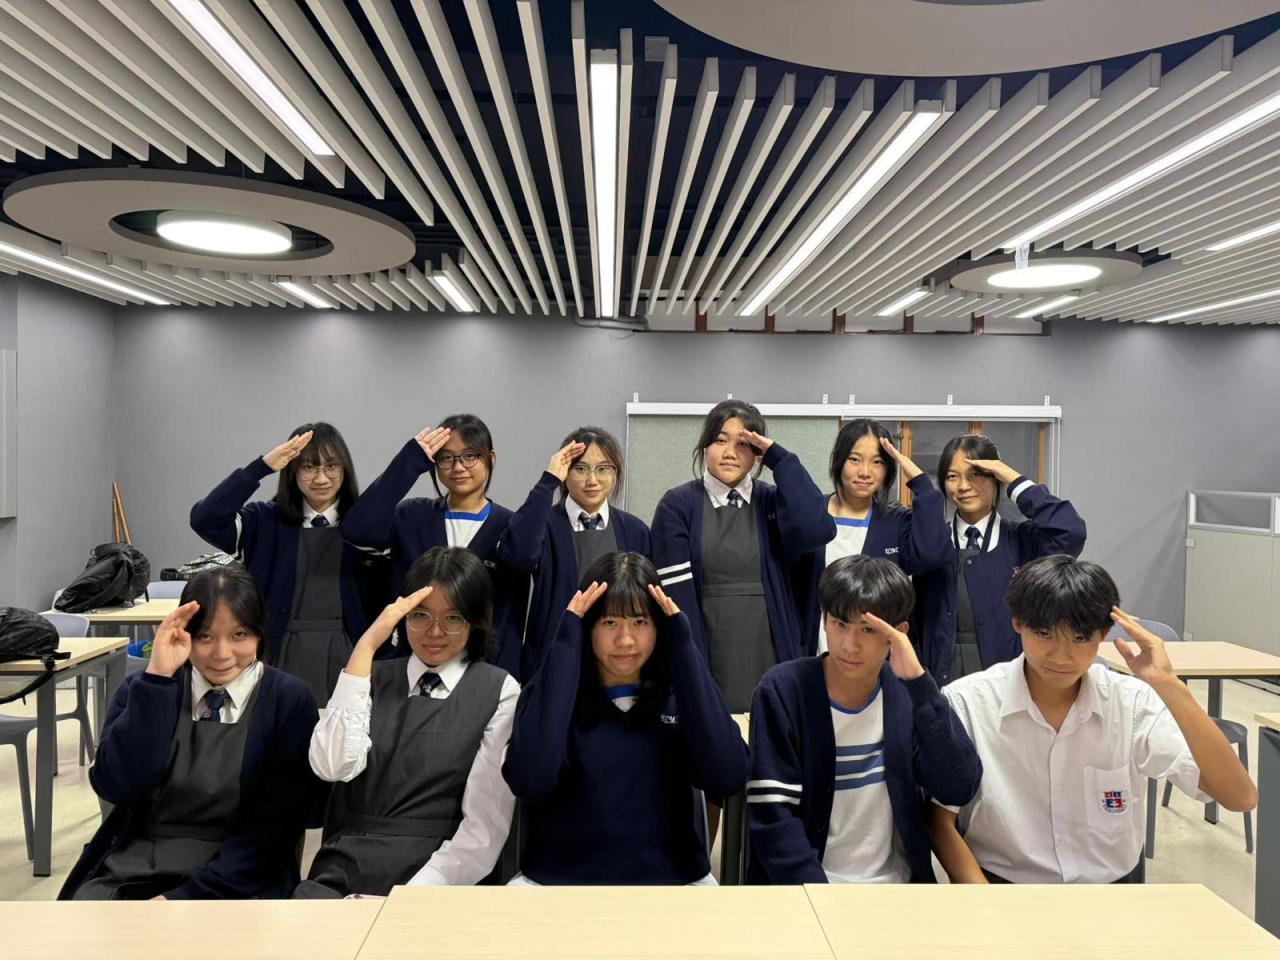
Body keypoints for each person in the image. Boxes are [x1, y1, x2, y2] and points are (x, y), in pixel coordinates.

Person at [928, 555, 1258, 884]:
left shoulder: (1130, 702)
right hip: (1000, 887)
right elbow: (938, 818)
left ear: (1103, 633)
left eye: (1080, 638)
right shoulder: (967, 702)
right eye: (1044, 633)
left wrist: (1169, 685)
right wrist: (984, 902)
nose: (1061, 656)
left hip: (1111, 891)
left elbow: (1239, 797)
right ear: (1017, 623)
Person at [61, 567, 318, 900]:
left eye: (239, 635)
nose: (222, 654)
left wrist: (183, 899)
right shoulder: (144, 689)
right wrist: (156, 680)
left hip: (240, 876)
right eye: (205, 636)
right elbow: (116, 785)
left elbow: (274, 829)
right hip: (133, 866)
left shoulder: (289, 700)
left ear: (260, 634)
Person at [502, 552, 747, 884]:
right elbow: (530, 779)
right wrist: (567, 641)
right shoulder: (552, 691)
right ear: (588, 625)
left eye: (640, 622)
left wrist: (684, 647)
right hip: (560, 882)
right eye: (609, 623)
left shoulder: (683, 691)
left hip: (672, 882)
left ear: (659, 626)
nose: (625, 640)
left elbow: (728, 775)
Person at [297, 547, 518, 897]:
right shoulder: (368, 676)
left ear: (474, 621)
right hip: (344, 870)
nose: (434, 632)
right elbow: (332, 766)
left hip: (439, 878)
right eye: (420, 615)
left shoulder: (499, 689)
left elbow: (483, 831)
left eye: (453, 618)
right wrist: (366, 646)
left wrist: (410, 897)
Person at [748, 555, 980, 884]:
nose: (850, 645)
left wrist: (920, 686)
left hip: (897, 889)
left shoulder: (907, 693)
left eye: (868, 630)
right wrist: (820, 897)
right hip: (809, 890)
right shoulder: (783, 689)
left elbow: (959, 786)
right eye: (839, 624)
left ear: (897, 633)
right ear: (824, 618)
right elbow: (773, 818)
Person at [652, 400, 834, 712]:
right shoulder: (678, 505)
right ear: (704, 446)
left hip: (772, 645)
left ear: (758, 452)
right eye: (720, 440)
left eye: (743, 444)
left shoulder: (774, 501)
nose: (730, 452)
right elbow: (674, 598)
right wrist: (690, 667)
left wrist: (781, 459)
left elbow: (818, 529)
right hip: (707, 648)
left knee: (772, 723)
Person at [190, 422, 382, 702]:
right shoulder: (263, 521)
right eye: (308, 467)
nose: (321, 478)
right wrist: (261, 467)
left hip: (351, 653)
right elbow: (205, 519)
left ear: (345, 469)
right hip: (278, 652)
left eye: (331, 466)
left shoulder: (364, 527)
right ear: (292, 471)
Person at [340, 415, 527, 675]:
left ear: (491, 458)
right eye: (446, 458)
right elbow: (357, 530)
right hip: (410, 667)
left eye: (470, 456)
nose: (458, 467)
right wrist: (409, 462)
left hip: (484, 673)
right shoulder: (411, 516)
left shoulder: (512, 528)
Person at [913, 433, 1086, 685]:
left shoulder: (1023, 541)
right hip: (941, 680)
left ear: (996, 477)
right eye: (952, 477)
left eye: (975, 474)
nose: (963, 486)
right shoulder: (932, 546)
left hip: (1008, 684)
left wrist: (1013, 479)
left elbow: (1070, 531)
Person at [497, 427, 650, 680]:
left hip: (616, 665)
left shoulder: (635, 531)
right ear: (565, 471)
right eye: (580, 469)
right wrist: (548, 481)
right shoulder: (543, 525)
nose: (592, 480)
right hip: (552, 660)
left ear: (615, 473)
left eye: (603, 469)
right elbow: (516, 556)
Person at [794, 418, 950, 655]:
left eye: (877, 462)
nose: (865, 472)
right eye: (854, 460)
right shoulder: (812, 517)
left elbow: (931, 555)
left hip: (875, 658)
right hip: (814, 655)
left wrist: (920, 483)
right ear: (837, 459)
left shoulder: (896, 521)